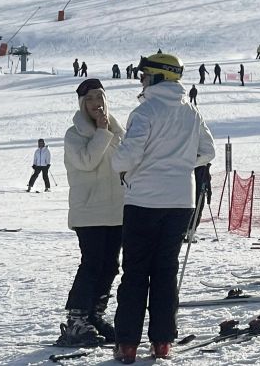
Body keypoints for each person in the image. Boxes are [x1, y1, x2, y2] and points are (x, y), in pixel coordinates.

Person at [111, 52, 215, 363]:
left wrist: (125, 167)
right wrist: (180, 165)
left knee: (135, 272)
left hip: (144, 199)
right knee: (165, 271)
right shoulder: (191, 111)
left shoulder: (145, 111)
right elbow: (207, 151)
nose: (140, 79)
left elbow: (126, 157)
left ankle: (127, 344)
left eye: (143, 75)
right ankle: (162, 342)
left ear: (158, 76)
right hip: (180, 200)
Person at [59, 77, 126, 348]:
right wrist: (101, 132)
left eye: (99, 97)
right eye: (90, 99)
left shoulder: (117, 130)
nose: (96, 104)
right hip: (89, 210)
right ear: (82, 104)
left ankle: (95, 315)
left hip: (117, 210)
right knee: (92, 263)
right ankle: (76, 319)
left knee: (111, 265)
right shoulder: (74, 134)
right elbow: (87, 162)